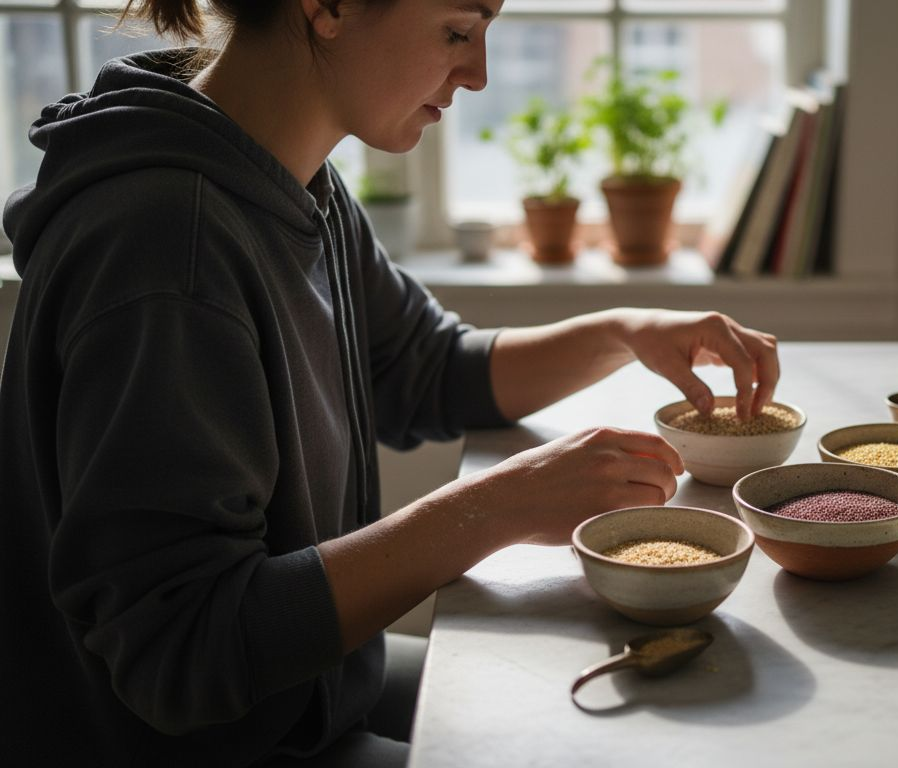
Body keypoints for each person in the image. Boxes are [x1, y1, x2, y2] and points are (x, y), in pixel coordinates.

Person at [0, 0, 780, 765]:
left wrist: (623, 332)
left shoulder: (287, 176)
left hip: (307, 695)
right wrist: (498, 506)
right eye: (457, 31)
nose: (477, 74)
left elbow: (425, 368)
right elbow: (185, 653)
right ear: (328, 8)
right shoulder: (171, 249)